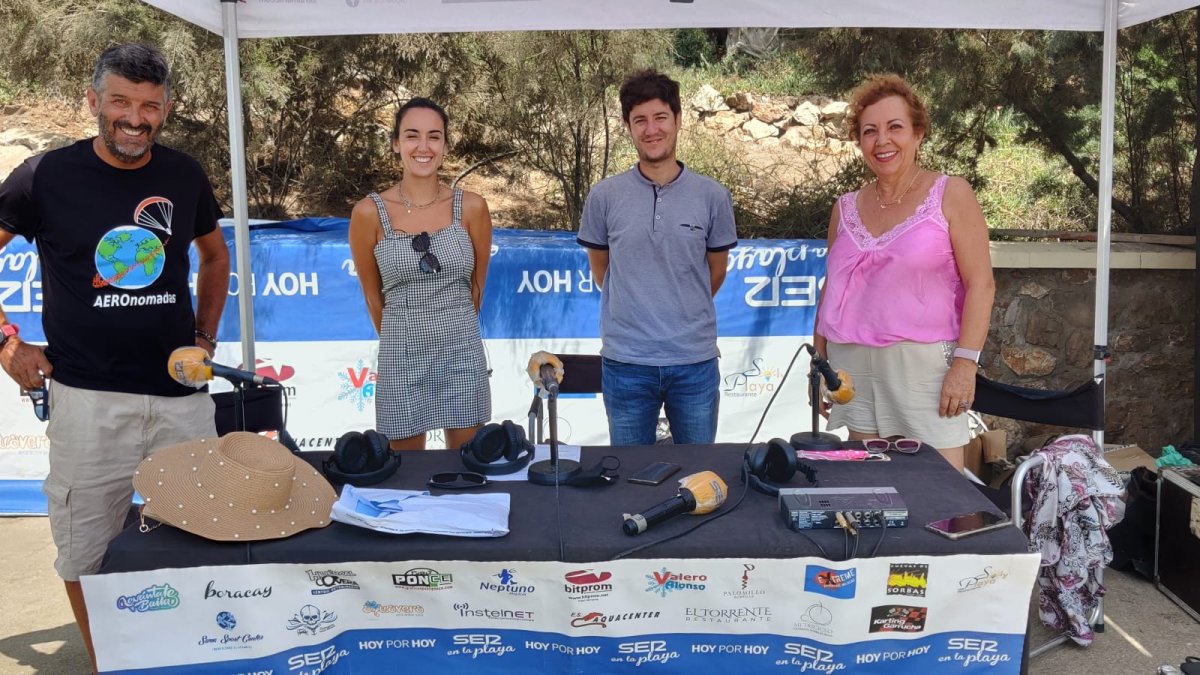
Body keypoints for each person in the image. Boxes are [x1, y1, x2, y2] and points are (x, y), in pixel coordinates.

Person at [0, 43, 230, 671]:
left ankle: (187, 657)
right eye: (122, 102)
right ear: (94, 100)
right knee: (84, 551)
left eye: (150, 106)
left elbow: (215, 256)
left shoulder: (184, 175)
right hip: (86, 402)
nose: (135, 118)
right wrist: (8, 343)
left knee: (201, 541)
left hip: (182, 401)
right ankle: (108, 662)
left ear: (167, 110)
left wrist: (204, 341)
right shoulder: (42, 175)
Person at [814, 73, 995, 472]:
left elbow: (981, 283)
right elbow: (832, 286)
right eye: (869, 131)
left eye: (895, 127)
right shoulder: (843, 206)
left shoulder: (951, 193)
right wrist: (820, 364)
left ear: (918, 133)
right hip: (852, 366)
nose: (882, 141)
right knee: (869, 488)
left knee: (941, 490)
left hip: (925, 369)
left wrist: (965, 365)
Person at [577, 70, 738, 446]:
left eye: (660, 117)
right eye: (640, 120)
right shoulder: (604, 196)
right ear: (629, 128)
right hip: (626, 363)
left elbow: (714, 273)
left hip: (694, 363)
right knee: (630, 483)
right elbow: (602, 272)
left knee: (699, 477)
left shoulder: (713, 196)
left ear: (678, 121)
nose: (651, 129)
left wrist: (678, 307)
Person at [348, 97, 492, 451]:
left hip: (461, 348)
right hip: (402, 351)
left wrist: (450, 327)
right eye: (412, 136)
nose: (423, 147)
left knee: (466, 467)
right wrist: (407, 336)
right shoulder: (368, 213)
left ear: (445, 144)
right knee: (405, 475)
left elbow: (476, 288)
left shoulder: (472, 207)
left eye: (434, 136)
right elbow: (371, 295)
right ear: (397, 143)